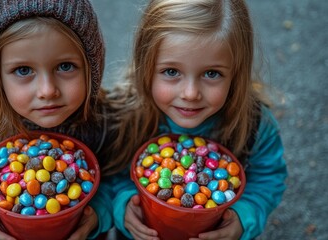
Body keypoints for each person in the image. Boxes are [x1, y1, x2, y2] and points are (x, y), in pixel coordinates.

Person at [110, 0, 288, 239]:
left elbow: (268, 177)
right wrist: (122, 205)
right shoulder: (127, 114)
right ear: (146, 66)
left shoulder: (254, 125)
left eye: (211, 73)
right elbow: (111, 172)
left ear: (236, 73)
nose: (191, 93)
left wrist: (243, 217)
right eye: (171, 72)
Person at [0, 0, 120, 239]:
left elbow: (119, 180)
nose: (47, 90)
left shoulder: (105, 124)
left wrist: (98, 214)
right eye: (23, 70)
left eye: (65, 66)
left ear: (92, 68)